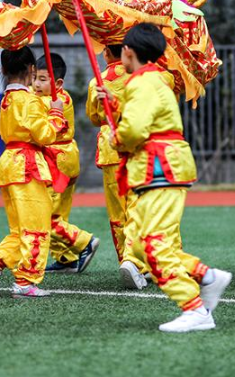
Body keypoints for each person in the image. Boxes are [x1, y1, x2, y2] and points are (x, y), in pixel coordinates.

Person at [99, 23, 231, 333]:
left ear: (128, 53)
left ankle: (194, 308)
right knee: (145, 244)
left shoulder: (142, 83)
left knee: (152, 245)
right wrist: (116, 104)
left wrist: (115, 139)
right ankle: (207, 278)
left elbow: (133, 131)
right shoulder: (155, 80)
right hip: (163, 166)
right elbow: (149, 117)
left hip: (159, 167)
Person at [0, 46, 66, 298]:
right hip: (27, 165)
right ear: (31, 70)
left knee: (21, 229)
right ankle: (25, 280)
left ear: (4, 70)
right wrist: (56, 115)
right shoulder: (30, 101)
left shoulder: (7, 100)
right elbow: (45, 134)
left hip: (10, 164)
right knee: (36, 227)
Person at [87, 44, 149, 288]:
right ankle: (138, 263)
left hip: (110, 149)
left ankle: (127, 260)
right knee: (138, 207)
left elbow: (93, 118)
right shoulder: (138, 75)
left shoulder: (97, 81)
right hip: (136, 145)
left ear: (105, 53)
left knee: (117, 214)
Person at [34, 52, 99, 274]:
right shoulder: (65, 97)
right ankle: (66, 257)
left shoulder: (47, 101)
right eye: (34, 77)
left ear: (57, 82)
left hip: (55, 161)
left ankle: (84, 242)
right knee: (59, 213)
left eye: (42, 79)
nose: (35, 83)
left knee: (45, 217)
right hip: (69, 157)